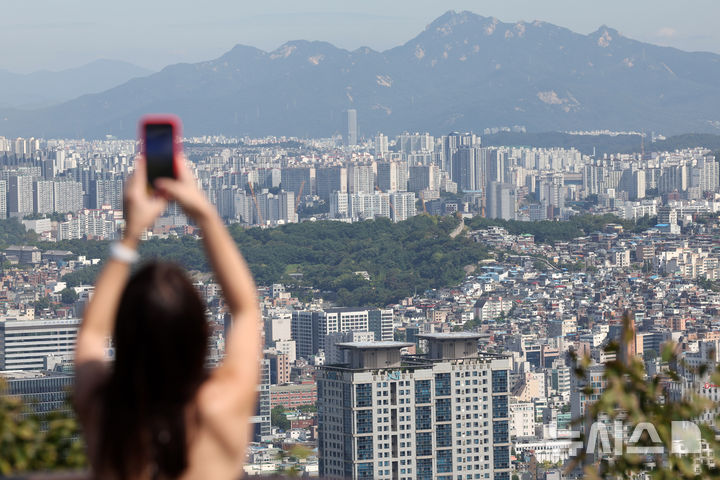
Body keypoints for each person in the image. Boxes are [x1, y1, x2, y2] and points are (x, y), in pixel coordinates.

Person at [74, 156, 261, 479]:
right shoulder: (220, 407)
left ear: (122, 335)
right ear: (202, 332)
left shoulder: (104, 412)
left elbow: (91, 333)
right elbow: (245, 309)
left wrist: (130, 233)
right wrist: (205, 214)